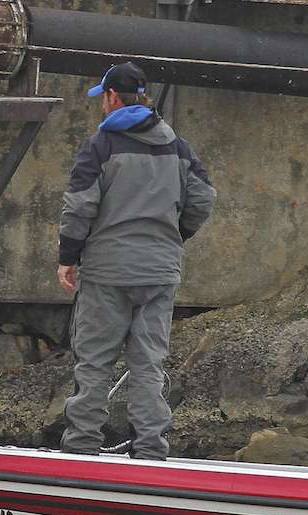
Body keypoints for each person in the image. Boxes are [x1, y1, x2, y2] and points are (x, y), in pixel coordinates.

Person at [57, 62, 216, 460]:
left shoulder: (101, 146)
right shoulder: (177, 146)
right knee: (148, 364)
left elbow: (79, 207)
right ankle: (150, 449)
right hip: (160, 270)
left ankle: (81, 447)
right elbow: (203, 199)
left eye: (102, 98)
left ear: (112, 97)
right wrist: (174, 236)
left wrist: (67, 257)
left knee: (94, 363)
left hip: (108, 271)